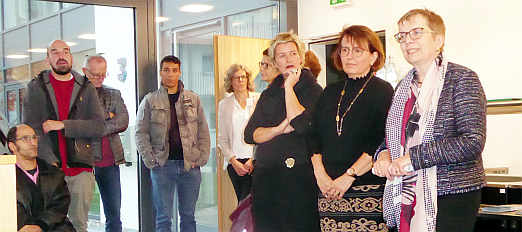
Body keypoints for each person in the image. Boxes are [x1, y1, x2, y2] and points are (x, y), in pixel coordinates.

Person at [372, 9, 486, 232]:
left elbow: (472, 141)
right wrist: (383, 155)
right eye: (402, 36)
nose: (408, 41)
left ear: (438, 39)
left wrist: (411, 159)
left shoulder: (462, 79)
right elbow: (395, 140)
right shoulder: (402, 89)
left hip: (451, 195)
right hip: (405, 193)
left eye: (416, 32)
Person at [309, 25, 393, 231]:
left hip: (366, 189)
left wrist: (349, 176)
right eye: (344, 50)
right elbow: (313, 137)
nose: (349, 56)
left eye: (358, 50)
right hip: (328, 190)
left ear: (373, 56)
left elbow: (380, 140)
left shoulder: (383, 91)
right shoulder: (329, 92)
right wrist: (320, 175)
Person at [22, 39, 105, 232]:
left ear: (71, 57)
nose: (61, 56)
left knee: (79, 226)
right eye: (55, 52)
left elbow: (99, 127)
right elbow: (31, 129)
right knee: (47, 225)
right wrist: (50, 160)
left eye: (65, 51)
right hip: (47, 170)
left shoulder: (86, 86)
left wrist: (63, 125)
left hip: (80, 171)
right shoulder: (35, 88)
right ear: (47, 58)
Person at [244, 31, 323, 232]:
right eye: (281, 55)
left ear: (301, 57)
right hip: (266, 179)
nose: (288, 59)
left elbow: (301, 124)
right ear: (275, 62)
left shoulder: (313, 90)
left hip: (297, 180)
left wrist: (289, 88)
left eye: (292, 53)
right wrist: (279, 129)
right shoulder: (269, 92)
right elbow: (251, 134)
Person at [135, 55, 210, 232]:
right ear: (161, 73)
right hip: (162, 166)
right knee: (163, 219)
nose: (170, 74)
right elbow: (140, 133)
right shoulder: (150, 100)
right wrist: (151, 160)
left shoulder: (193, 99)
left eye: (174, 70)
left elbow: (203, 131)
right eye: (166, 70)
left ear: (179, 73)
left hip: (190, 166)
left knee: (188, 217)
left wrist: (200, 158)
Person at [83, 55, 129, 232]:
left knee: (114, 215)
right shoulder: (77, 95)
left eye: (102, 74)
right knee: (81, 214)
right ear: (85, 72)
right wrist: (109, 117)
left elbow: (123, 121)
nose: (99, 79)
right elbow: (79, 123)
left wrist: (96, 125)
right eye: (95, 75)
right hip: (84, 162)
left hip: (111, 162)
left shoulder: (113, 93)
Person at [9, 124, 75, 232]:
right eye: (25, 138)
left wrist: (40, 225)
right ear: (12, 146)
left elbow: (60, 205)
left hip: (54, 227)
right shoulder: (5, 176)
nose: (33, 143)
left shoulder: (54, 173)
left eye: (34, 137)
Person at [217, 64, 259, 202]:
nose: (241, 80)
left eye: (243, 77)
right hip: (235, 163)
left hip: (255, 160)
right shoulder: (225, 104)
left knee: (251, 204)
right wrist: (234, 162)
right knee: (243, 203)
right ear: (231, 81)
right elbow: (222, 139)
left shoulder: (258, 100)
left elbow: (263, 133)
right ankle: (243, 225)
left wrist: (253, 160)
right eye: (236, 78)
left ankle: (244, 225)